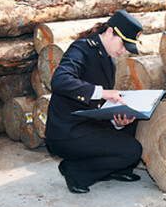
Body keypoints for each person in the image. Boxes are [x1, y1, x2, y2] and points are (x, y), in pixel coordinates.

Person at [45, 10, 144, 194]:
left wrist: (117, 123)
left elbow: (98, 105)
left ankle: (117, 170)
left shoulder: (109, 58)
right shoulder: (82, 48)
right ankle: (75, 171)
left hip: (87, 123)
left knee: (131, 119)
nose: (123, 51)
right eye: (123, 44)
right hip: (67, 129)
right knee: (132, 151)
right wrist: (101, 92)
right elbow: (59, 80)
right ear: (109, 32)